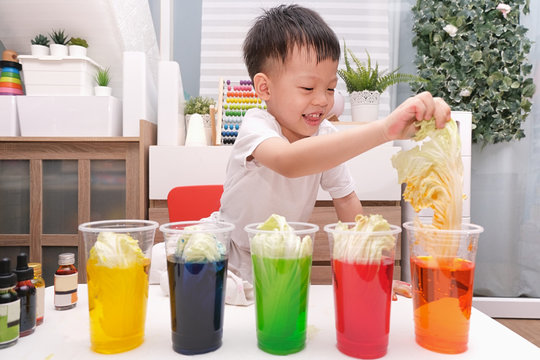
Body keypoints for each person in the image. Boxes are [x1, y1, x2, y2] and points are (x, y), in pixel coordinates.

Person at [218, 4, 450, 284]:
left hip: (280, 261)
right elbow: (288, 161)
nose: (322, 100)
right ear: (265, 88)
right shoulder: (256, 126)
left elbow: (346, 199)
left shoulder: (324, 135)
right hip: (228, 258)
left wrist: (371, 271)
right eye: (307, 88)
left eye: (330, 88)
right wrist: (384, 130)